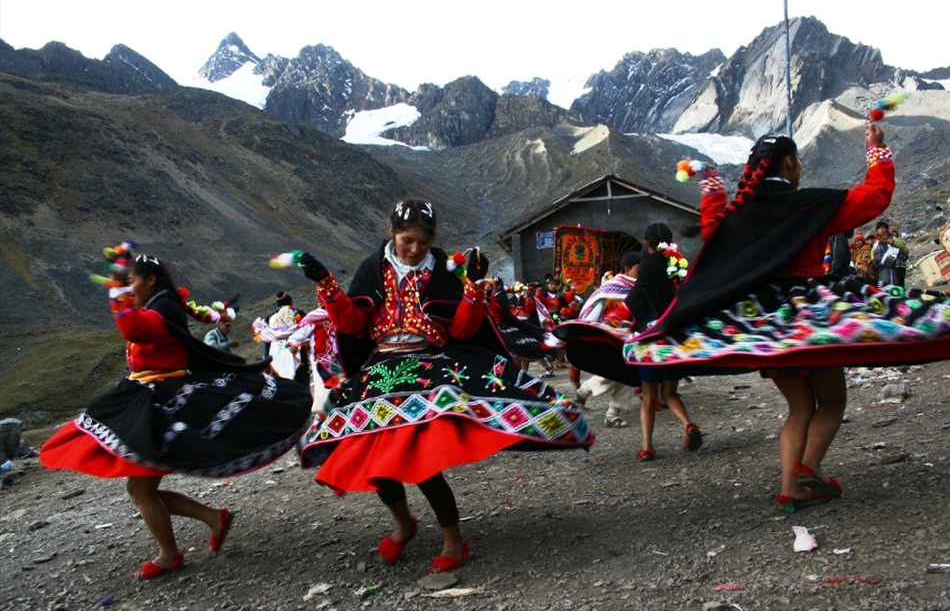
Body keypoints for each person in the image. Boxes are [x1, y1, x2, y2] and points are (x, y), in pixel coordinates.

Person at [618, 123, 950, 510]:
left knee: (800, 407)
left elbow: (712, 223)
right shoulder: (810, 204)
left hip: (764, 325)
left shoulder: (737, 215)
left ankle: (790, 487)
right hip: (814, 323)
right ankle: (808, 467)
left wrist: (711, 183)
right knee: (831, 401)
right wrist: (877, 152)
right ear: (791, 162)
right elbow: (874, 197)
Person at [296, 199, 594, 573]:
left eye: (424, 241)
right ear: (391, 233)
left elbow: (463, 330)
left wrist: (471, 288)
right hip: (381, 370)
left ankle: (454, 539)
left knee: (421, 462)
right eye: (408, 240)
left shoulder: (445, 271)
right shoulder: (373, 268)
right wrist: (327, 285)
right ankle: (405, 523)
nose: (416, 249)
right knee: (375, 459)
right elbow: (353, 325)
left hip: (430, 367)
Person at [40, 250, 312, 578]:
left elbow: (133, 330)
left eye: (132, 282)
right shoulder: (161, 305)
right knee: (141, 490)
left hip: (163, 403)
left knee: (140, 491)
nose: (129, 288)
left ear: (150, 280)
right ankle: (213, 519)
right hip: (150, 396)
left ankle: (171, 554)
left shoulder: (161, 309)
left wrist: (116, 289)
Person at [623, 225, 701, 460]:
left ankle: (647, 447)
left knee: (648, 397)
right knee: (670, 394)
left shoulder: (647, 265)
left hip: (650, 337)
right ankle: (687, 424)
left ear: (646, 243)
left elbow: (638, 298)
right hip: (674, 337)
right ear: (671, 240)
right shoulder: (677, 262)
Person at [572, 251, 644, 428]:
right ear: (627, 268)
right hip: (608, 338)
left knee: (627, 373)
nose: (641, 272)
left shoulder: (641, 287)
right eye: (638, 268)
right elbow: (592, 312)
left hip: (630, 339)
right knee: (616, 373)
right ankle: (586, 391)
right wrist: (587, 332)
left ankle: (611, 413)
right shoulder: (611, 288)